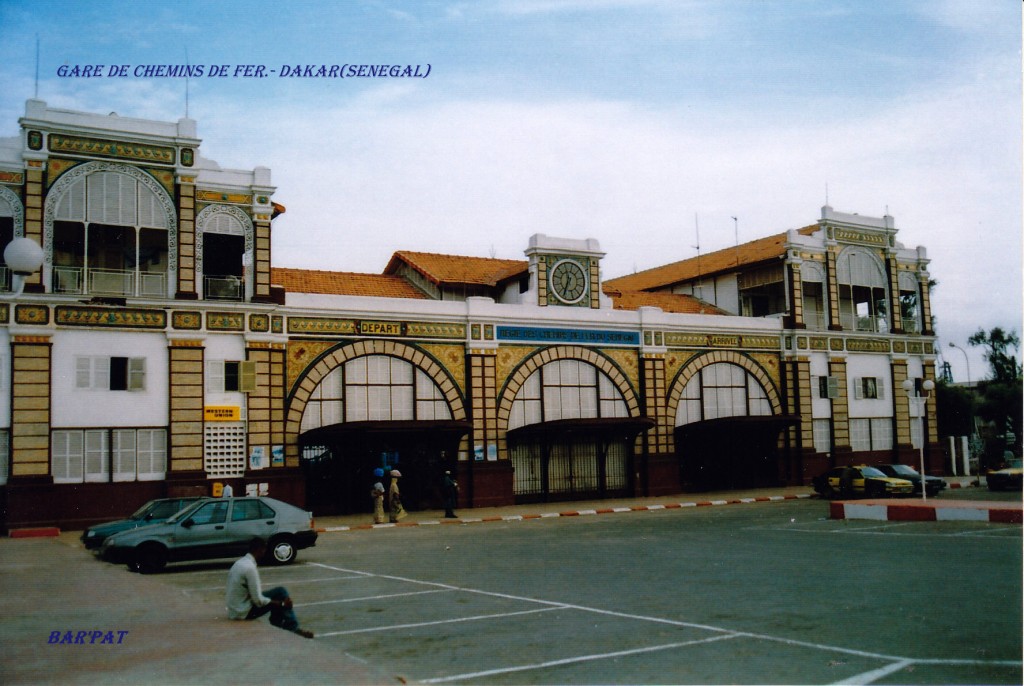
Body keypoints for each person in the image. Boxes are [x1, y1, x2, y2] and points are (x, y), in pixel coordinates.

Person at [226, 538, 313, 638]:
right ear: (260, 550)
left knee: (277, 594)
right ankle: (292, 627)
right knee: (281, 593)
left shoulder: (240, 563)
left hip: (234, 610)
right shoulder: (250, 568)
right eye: (264, 550)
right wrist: (282, 604)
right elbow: (258, 600)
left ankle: (278, 625)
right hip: (243, 612)